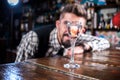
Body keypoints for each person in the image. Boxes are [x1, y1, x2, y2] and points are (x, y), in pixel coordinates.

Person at [15, 3, 110, 62]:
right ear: (57, 24)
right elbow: (19, 71)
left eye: (77, 26)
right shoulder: (33, 38)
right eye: (67, 23)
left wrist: (83, 47)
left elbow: (105, 42)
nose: (71, 30)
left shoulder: (77, 36)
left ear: (82, 30)